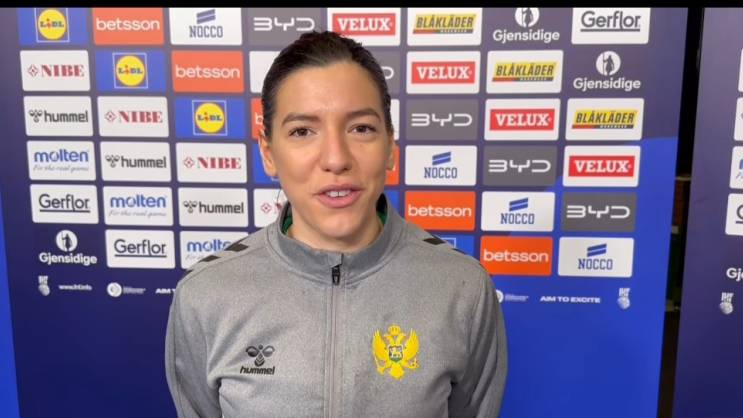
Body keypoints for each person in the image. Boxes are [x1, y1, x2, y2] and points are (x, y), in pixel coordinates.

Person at [165, 30, 507, 418]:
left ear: (390, 145)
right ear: (269, 153)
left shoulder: (462, 289)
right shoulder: (205, 295)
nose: (336, 158)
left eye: (361, 128)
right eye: (302, 131)